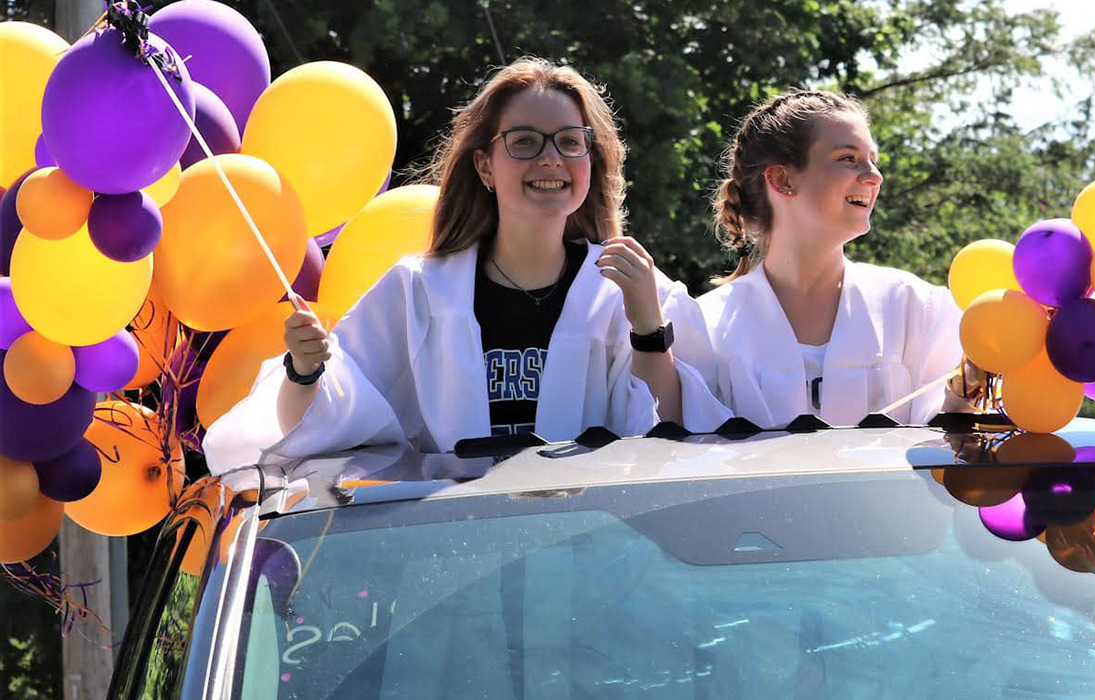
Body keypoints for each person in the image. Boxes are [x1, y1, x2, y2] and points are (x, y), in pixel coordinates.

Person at [203, 58, 729, 473]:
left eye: (570, 142)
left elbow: (679, 437)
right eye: (524, 142)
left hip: (589, 569)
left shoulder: (626, 287)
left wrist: (646, 327)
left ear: (591, 160)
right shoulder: (419, 293)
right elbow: (333, 413)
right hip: (454, 566)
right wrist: (304, 369)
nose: (551, 159)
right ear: (485, 165)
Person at [698, 90, 973, 429]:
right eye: (848, 158)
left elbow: (944, 446)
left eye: (873, 160)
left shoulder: (916, 308)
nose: (875, 176)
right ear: (783, 180)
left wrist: (967, 390)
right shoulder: (706, 329)